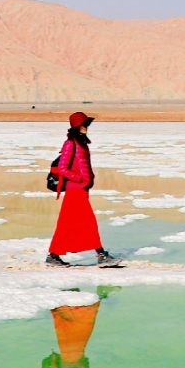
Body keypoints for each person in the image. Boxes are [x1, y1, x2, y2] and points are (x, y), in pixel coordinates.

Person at [43, 111, 120, 267]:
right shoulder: (70, 144)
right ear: (78, 126)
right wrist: (80, 179)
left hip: (81, 189)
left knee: (68, 224)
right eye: (84, 124)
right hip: (75, 189)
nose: (86, 127)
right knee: (88, 222)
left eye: (87, 124)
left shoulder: (81, 143)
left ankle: (53, 256)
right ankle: (101, 255)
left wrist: (87, 180)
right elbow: (63, 168)